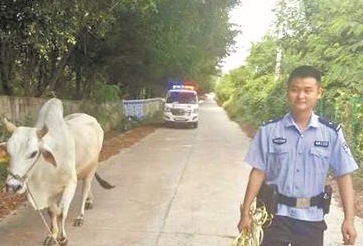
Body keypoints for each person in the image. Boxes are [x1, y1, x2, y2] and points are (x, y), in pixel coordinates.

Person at [238, 65, 358, 246]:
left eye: (308, 90)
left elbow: (344, 175)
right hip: (273, 217)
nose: (301, 96)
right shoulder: (269, 130)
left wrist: (349, 219)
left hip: (312, 220)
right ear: (288, 92)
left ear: (319, 93)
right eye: (295, 90)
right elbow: (258, 172)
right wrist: (245, 212)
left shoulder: (331, 133)